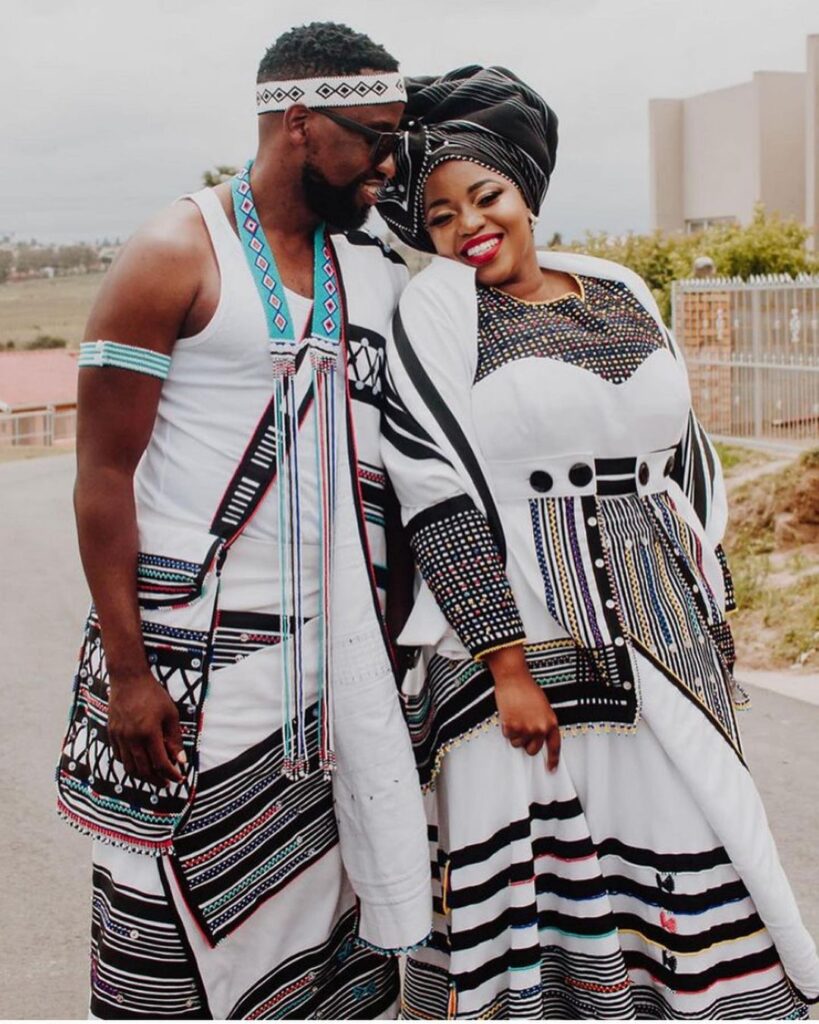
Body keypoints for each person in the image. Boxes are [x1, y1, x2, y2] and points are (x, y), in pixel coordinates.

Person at [377, 66, 819, 1019]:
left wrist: (711, 602)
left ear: (525, 191)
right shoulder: (440, 310)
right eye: (440, 215)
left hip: (663, 618)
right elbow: (435, 493)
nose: (468, 226)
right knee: (547, 875)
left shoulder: (618, 285)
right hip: (521, 633)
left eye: (484, 196)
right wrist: (506, 666)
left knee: (695, 837)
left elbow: (682, 455)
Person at [56, 22, 431, 1020]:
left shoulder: (369, 269)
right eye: (372, 137)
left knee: (319, 920)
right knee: (164, 918)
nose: (389, 164)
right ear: (300, 124)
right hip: (184, 671)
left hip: (329, 678)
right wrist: (129, 675)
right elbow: (102, 475)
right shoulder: (175, 253)